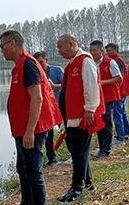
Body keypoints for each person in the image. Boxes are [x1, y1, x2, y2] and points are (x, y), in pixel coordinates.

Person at [0, 30, 62, 205]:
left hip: (33, 129)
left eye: (2, 46)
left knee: (33, 172)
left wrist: (29, 132)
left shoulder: (28, 65)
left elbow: (37, 98)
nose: (1, 50)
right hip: (23, 128)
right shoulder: (19, 66)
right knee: (23, 168)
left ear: (12, 43)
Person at [56, 34, 105, 202]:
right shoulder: (72, 64)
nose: (59, 51)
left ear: (70, 44)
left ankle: (76, 189)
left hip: (82, 117)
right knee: (79, 152)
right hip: (71, 117)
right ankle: (89, 183)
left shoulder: (85, 61)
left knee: (78, 153)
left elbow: (92, 86)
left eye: (60, 47)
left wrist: (90, 110)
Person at [89, 40, 122, 159]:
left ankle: (106, 149)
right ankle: (102, 147)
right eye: (91, 51)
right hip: (96, 97)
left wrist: (101, 83)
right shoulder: (90, 63)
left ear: (101, 50)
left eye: (95, 50)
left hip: (108, 96)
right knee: (99, 121)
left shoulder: (110, 62)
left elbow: (119, 78)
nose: (92, 53)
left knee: (106, 121)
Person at [33, 51, 65, 166]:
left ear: (46, 60)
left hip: (60, 105)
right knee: (48, 134)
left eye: (41, 62)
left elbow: (67, 85)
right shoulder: (35, 73)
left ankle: (74, 154)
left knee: (66, 131)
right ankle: (52, 159)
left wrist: (53, 86)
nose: (39, 65)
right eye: (36, 63)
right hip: (47, 108)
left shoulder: (57, 70)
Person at [105, 43, 129, 144]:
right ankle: (126, 134)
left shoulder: (117, 61)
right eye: (107, 51)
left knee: (117, 113)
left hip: (120, 92)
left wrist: (116, 92)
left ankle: (120, 137)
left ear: (116, 49)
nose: (108, 53)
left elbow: (119, 78)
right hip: (121, 91)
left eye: (110, 50)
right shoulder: (116, 60)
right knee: (122, 112)